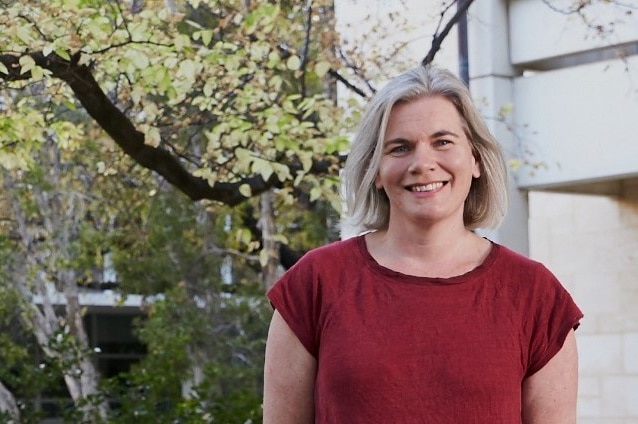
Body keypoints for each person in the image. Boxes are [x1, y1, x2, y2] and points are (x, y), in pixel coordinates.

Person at [263, 65, 583, 423]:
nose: (423, 163)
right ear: (377, 172)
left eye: (442, 142)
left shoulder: (535, 295)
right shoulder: (314, 283)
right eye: (400, 148)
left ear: (475, 159)